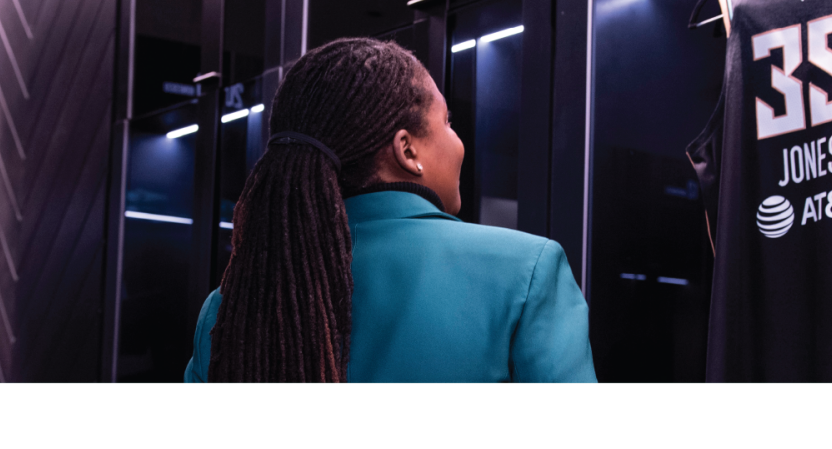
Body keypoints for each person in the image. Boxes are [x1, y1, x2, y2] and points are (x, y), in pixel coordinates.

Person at [184, 37, 596, 383]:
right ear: (407, 149)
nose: (459, 141)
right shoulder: (527, 272)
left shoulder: (232, 305)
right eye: (448, 121)